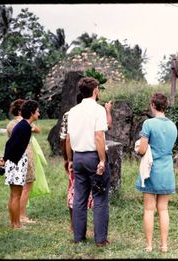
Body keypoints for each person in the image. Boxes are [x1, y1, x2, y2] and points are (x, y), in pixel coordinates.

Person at [66, 77, 111, 247]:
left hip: (78, 157)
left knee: (79, 198)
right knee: (100, 197)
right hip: (93, 157)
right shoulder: (98, 110)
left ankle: (79, 237)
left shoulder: (73, 111)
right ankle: (100, 240)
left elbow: (69, 138)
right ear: (95, 90)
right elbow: (99, 136)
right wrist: (102, 160)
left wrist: (70, 159)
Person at [135, 93, 178, 253]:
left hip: (152, 170)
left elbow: (143, 149)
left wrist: (138, 149)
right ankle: (164, 246)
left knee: (148, 209)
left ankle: (149, 246)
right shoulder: (173, 125)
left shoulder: (148, 123)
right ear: (164, 106)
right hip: (167, 170)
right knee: (164, 209)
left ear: (153, 105)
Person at [0, 100, 40, 229]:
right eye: (37, 111)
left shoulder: (23, 125)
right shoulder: (24, 127)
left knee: (14, 195)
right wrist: (7, 160)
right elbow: (11, 145)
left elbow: (10, 144)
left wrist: (6, 160)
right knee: (16, 195)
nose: (39, 113)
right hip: (16, 162)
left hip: (13, 161)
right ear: (32, 113)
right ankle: (16, 224)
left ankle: (15, 223)